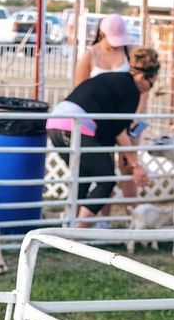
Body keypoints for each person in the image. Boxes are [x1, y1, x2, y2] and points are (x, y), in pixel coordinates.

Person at [47, 46, 158, 227]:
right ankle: (79, 230)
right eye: (151, 84)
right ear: (143, 77)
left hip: (55, 123)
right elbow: (119, 131)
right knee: (107, 179)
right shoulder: (131, 91)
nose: (148, 89)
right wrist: (135, 165)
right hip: (75, 126)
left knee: (82, 175)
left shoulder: (111, 80)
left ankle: (68, 227)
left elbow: (109, 126)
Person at [72, 14, 142, 221]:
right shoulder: (90, 55)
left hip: (127, 120)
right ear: (102, 34)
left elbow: (141, 86)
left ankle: (134, 217)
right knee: (105, 168)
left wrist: (136, 116)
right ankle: (103, 218)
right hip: (98, 123)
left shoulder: (131, 53)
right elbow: (80, 90)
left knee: (129, 164)